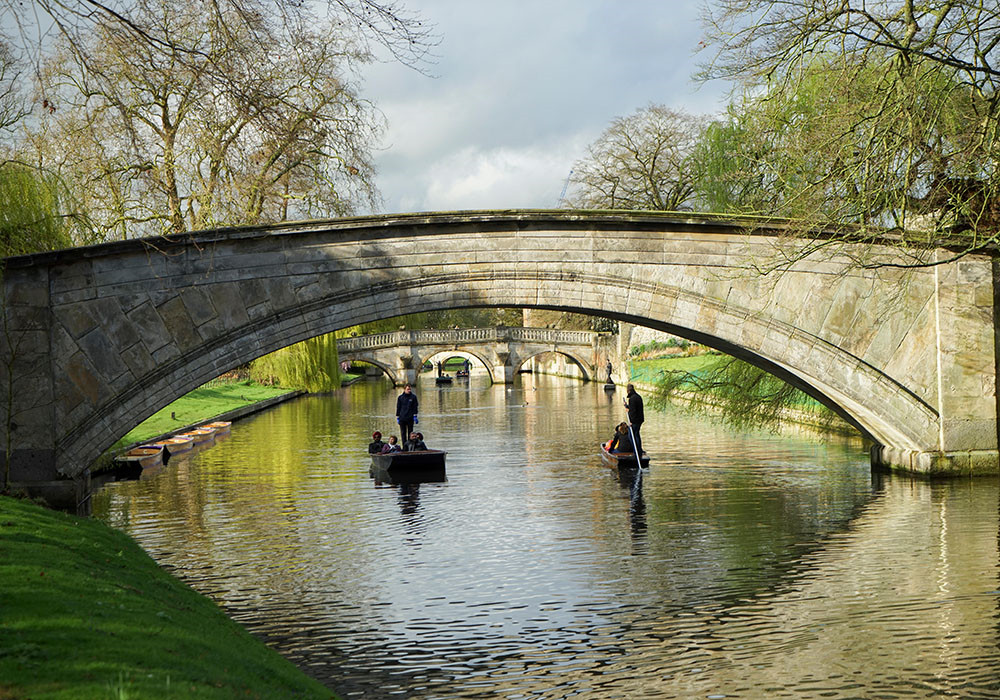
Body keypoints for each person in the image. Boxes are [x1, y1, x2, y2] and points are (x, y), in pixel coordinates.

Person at [623, 383, 644, 455]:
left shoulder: (632, 399)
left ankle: (636, 451)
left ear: (628, 390)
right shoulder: (638, 397)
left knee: (631, 436)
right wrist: (627, 406)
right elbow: (634, 408)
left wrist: (631, 421)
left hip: (635, 420)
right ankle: (639, 450)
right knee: (637, 434)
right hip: (640, 419)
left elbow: (633, 411)